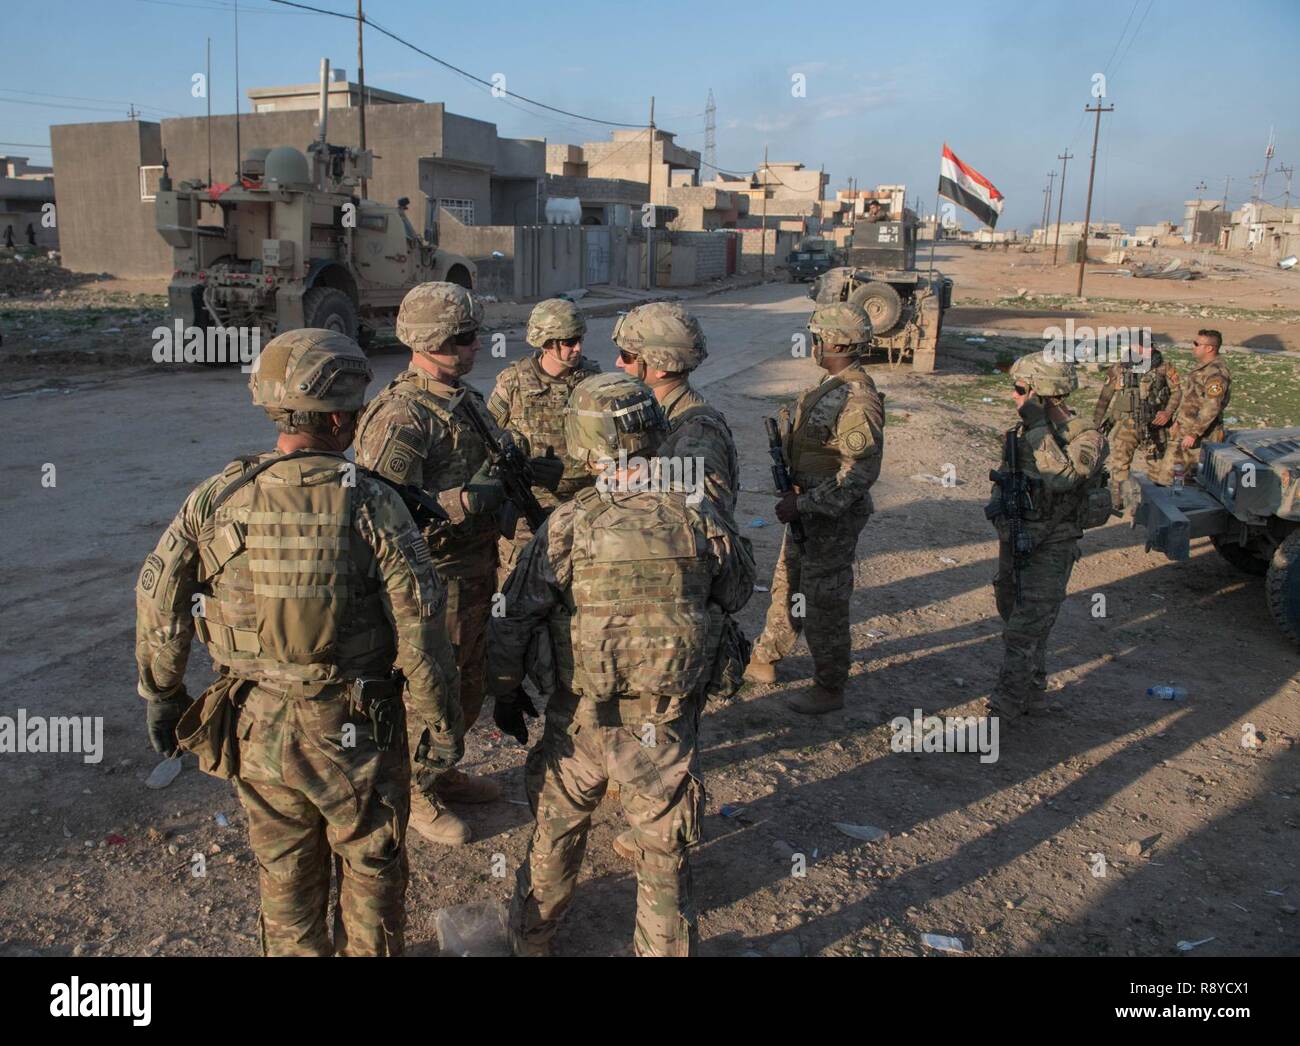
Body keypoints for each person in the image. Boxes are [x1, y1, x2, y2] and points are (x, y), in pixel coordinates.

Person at [134, 329, 462, 956]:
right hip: (356, 729)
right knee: (372, 867)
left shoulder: (217, 496)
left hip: (255, 724)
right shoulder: (375, 504)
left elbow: (159, 600)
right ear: (340, 416)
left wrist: (163, 693)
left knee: (283, 874)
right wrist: (440, 725)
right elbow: (423, 628)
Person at [488, 372, 754, 956]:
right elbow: (736, 592)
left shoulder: (570, 523)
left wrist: (505, 691)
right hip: (662, 720)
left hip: (578, 718)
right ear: (655, 436)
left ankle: (532, 941)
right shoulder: (698, 513)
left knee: (556, 832)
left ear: (583, 443)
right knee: (663, 851)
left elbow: (514, 616)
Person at [355, 282, 562, 846]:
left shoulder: (463, 399)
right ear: (432, 341)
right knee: (430, 691)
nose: (477, 347)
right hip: (431, 580)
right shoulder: (401, 415)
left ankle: (441, 769)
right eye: (465, 339)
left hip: (475, 571)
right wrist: (465, 501)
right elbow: (378, 511)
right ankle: (412, 788)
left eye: (474, 336)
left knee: (470, 681)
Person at [744, 302, 885, 714]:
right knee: (788, 584)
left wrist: (805, 503)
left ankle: (829, 686)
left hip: (830, 516)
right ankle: (766, 659)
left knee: (824, 600)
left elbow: (859, 475)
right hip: (807, 508)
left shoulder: (858, 398)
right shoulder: (829, 386)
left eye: (818, 337)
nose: (813, 343)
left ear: (836, 341)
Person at [986, 355, 1109, 723]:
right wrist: (999, 513)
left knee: (1025, 629)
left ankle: (1005, 706)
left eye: (1021, 390)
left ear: (1043, 395)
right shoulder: (1023, 432)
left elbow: (1063, 477)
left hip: (1053, 544)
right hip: (1018, 538)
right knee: (1014, 614)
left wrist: (1040, 427)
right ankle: (1034, 690)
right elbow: (1007, 478)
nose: (1014, 397)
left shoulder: (1087, 436)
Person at [487, 297, 601, 585]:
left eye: (580, 339)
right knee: (518, 594)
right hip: (530, 512)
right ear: (547, 342)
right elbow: (488, 441)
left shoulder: (593, 381)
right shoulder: (513, 382)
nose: (578, 348)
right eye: (569, 341)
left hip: (585, 507)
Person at [611, 300, 739, 521]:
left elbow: (711, 515)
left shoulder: (698, 430)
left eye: (627, 356)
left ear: (660, 365)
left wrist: (647, 472)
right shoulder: (655, 411)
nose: (618, 363)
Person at [1091, 345, 1181, 509]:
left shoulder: (1164, 367)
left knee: (1157, 464)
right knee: (1120, 464)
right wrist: (1095, 424)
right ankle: (1117, 501)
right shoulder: (1119, 368)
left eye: (1147, 347)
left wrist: (1167, 413)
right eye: (1140, 347)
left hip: (1154, 425)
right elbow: (1105, 396)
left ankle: (1158, 503)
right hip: (1127, 425)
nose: (1144, 350)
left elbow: (1177, 392)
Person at [1149, 329, 1232, 485]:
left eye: (1197, 344)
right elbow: (1192, 400)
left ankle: (1178, 503)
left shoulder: (1216, 373)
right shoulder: (1203, 368)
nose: (1193, 347)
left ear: (1209, 348)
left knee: (1185, 477)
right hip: (1185, 430)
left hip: (1199, 436)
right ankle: (1174, 498)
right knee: (1174, 475)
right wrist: (1178, 422)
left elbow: (1211, 406)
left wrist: (1194, 434)